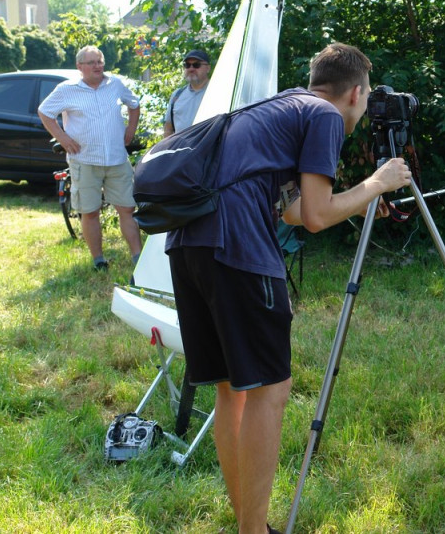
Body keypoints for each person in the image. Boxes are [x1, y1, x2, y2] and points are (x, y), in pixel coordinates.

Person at [166, 42, 411, 534]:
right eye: (363, 104)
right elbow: (318, 217)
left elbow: (296, 211)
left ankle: (247, 525)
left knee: (232, 389)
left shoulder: (281, 105)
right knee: (270, 391)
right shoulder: (324, 116)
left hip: (187, 244)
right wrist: (379, 182)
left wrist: (361, 198)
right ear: (356, 93)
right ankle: (254, 531)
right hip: (238, 251)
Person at [38, 45, 143, 271]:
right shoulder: (67, 89)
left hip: (116, 159)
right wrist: (62, 138)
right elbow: (45, 112)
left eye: (100, 61)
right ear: (80, 67)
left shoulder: (115, 84)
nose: (97, 66)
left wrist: (130, 130)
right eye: (92, 62)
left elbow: (134, 105)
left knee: (127, 209)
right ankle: (99, 261)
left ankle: (138, 258)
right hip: (84, 160)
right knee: (90, 211)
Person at [163, 49, 212, 137]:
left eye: (196, 65)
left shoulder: (219, 92)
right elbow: (168, 128)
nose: (191, 69)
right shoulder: (177, 96)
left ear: (208, 68)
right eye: (187, 65)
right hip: (181, 149)